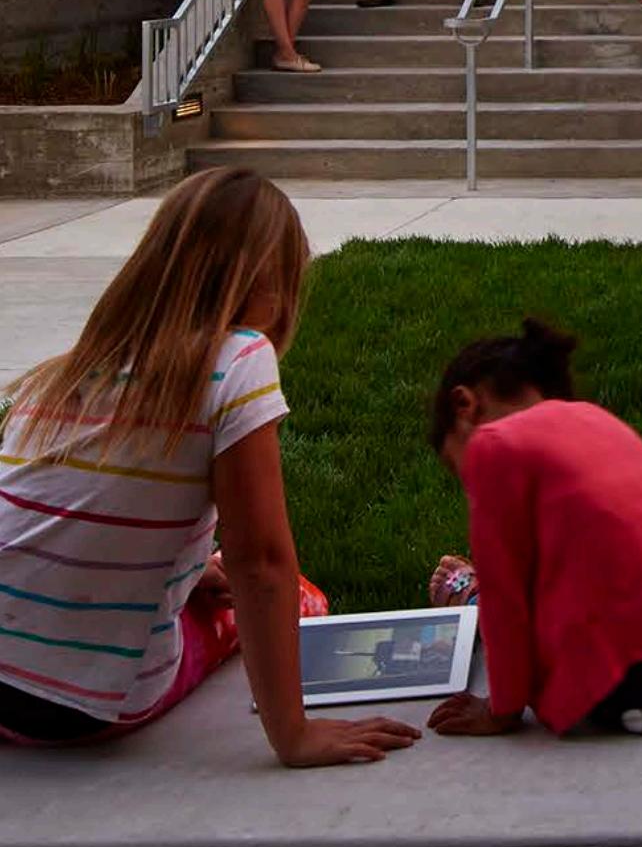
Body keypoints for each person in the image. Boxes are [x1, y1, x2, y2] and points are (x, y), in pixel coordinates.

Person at [0, 167, 414, 765]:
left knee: (204, 583)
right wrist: (294, 735)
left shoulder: (65, 371)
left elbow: (72, 515)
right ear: (269, 282)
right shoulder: (238, 358)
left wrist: (193, 573)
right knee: (298, 598)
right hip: (70, 713)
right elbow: (260, 564)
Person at [423, 320, 642, 741]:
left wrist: (502, 709)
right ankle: (471, 594)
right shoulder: (591, 417)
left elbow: (507, 601)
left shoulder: (491, 446)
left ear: (464, 405)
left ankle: (470, 595)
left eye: (458, 469)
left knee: (503, 602)